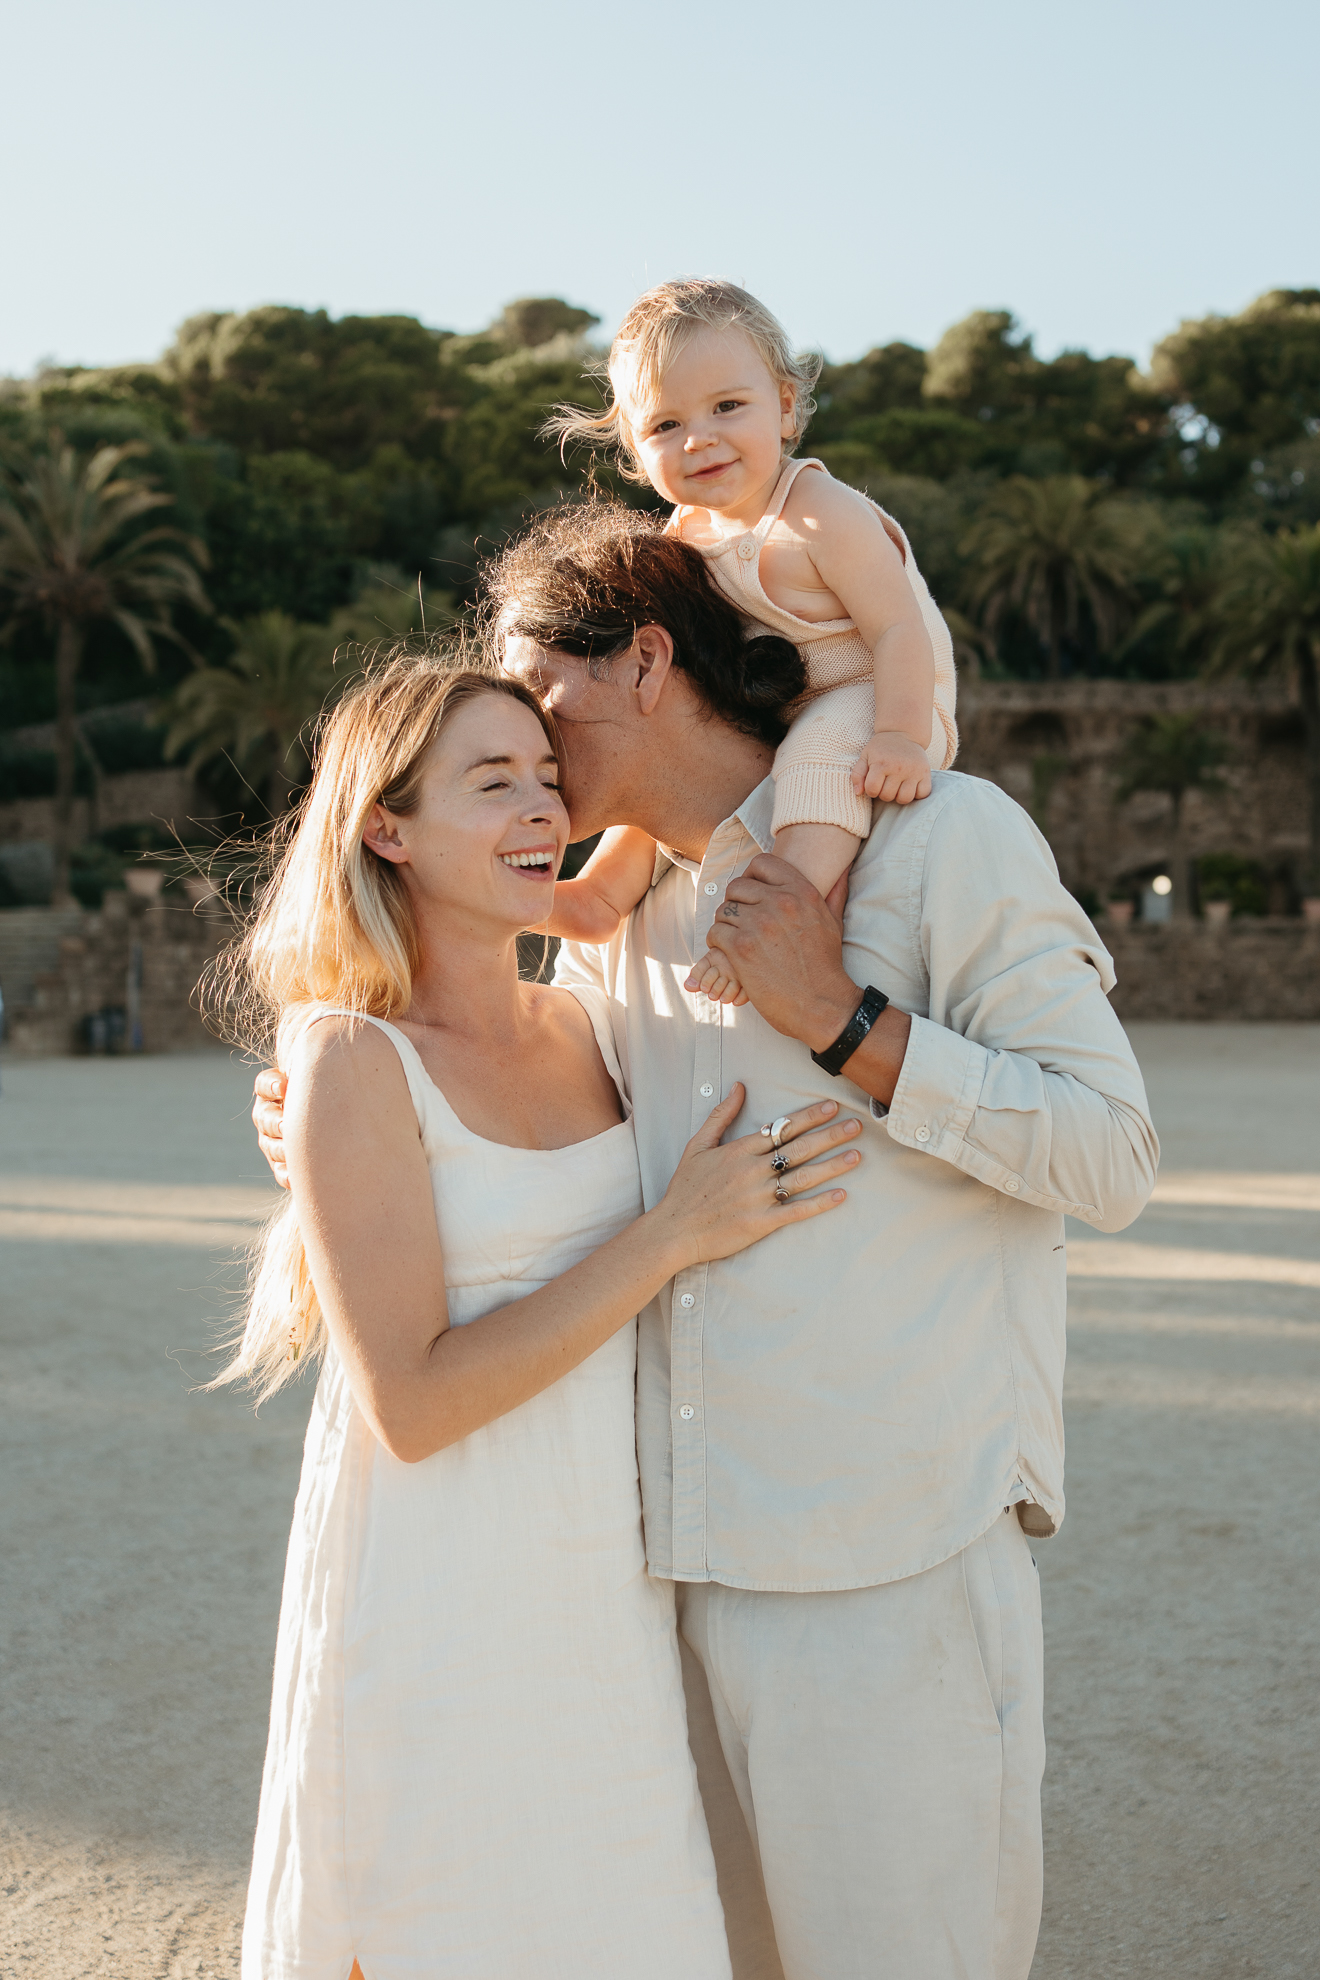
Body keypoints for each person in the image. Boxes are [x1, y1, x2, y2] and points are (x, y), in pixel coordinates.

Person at [255, 507, 1158, 1980]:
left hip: (885, 1570)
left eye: (541, 703)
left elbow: (1113, 1155)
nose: (538, 763)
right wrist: (324, 1106)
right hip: (645, 1591)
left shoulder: (945, 841)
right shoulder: (610, 928)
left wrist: (846, 1024)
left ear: (646, 664)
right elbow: (492, 1135)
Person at [222, 656, 860, 1980]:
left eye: (549, 781)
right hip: (441, 1582)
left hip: (601, 1576)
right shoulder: (350, 1056)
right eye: (490, 781)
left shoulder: (592, 1022)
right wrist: (673, 1233)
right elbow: (415, 1403)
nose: (536, 810)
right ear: (385, 826)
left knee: (629, 1918)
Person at [540, 278, 958, 1004]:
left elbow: (899, 627)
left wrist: (898, 734)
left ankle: (775, 915)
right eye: (665, 426)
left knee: (817, 759)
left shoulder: (820, 512)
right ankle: (599, 896)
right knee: (663, 772)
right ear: (637, 454)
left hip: (877, 696)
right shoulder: (684, 540)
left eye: (727, 407)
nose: (698, 438)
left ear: (787, 407)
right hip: (780, 703)